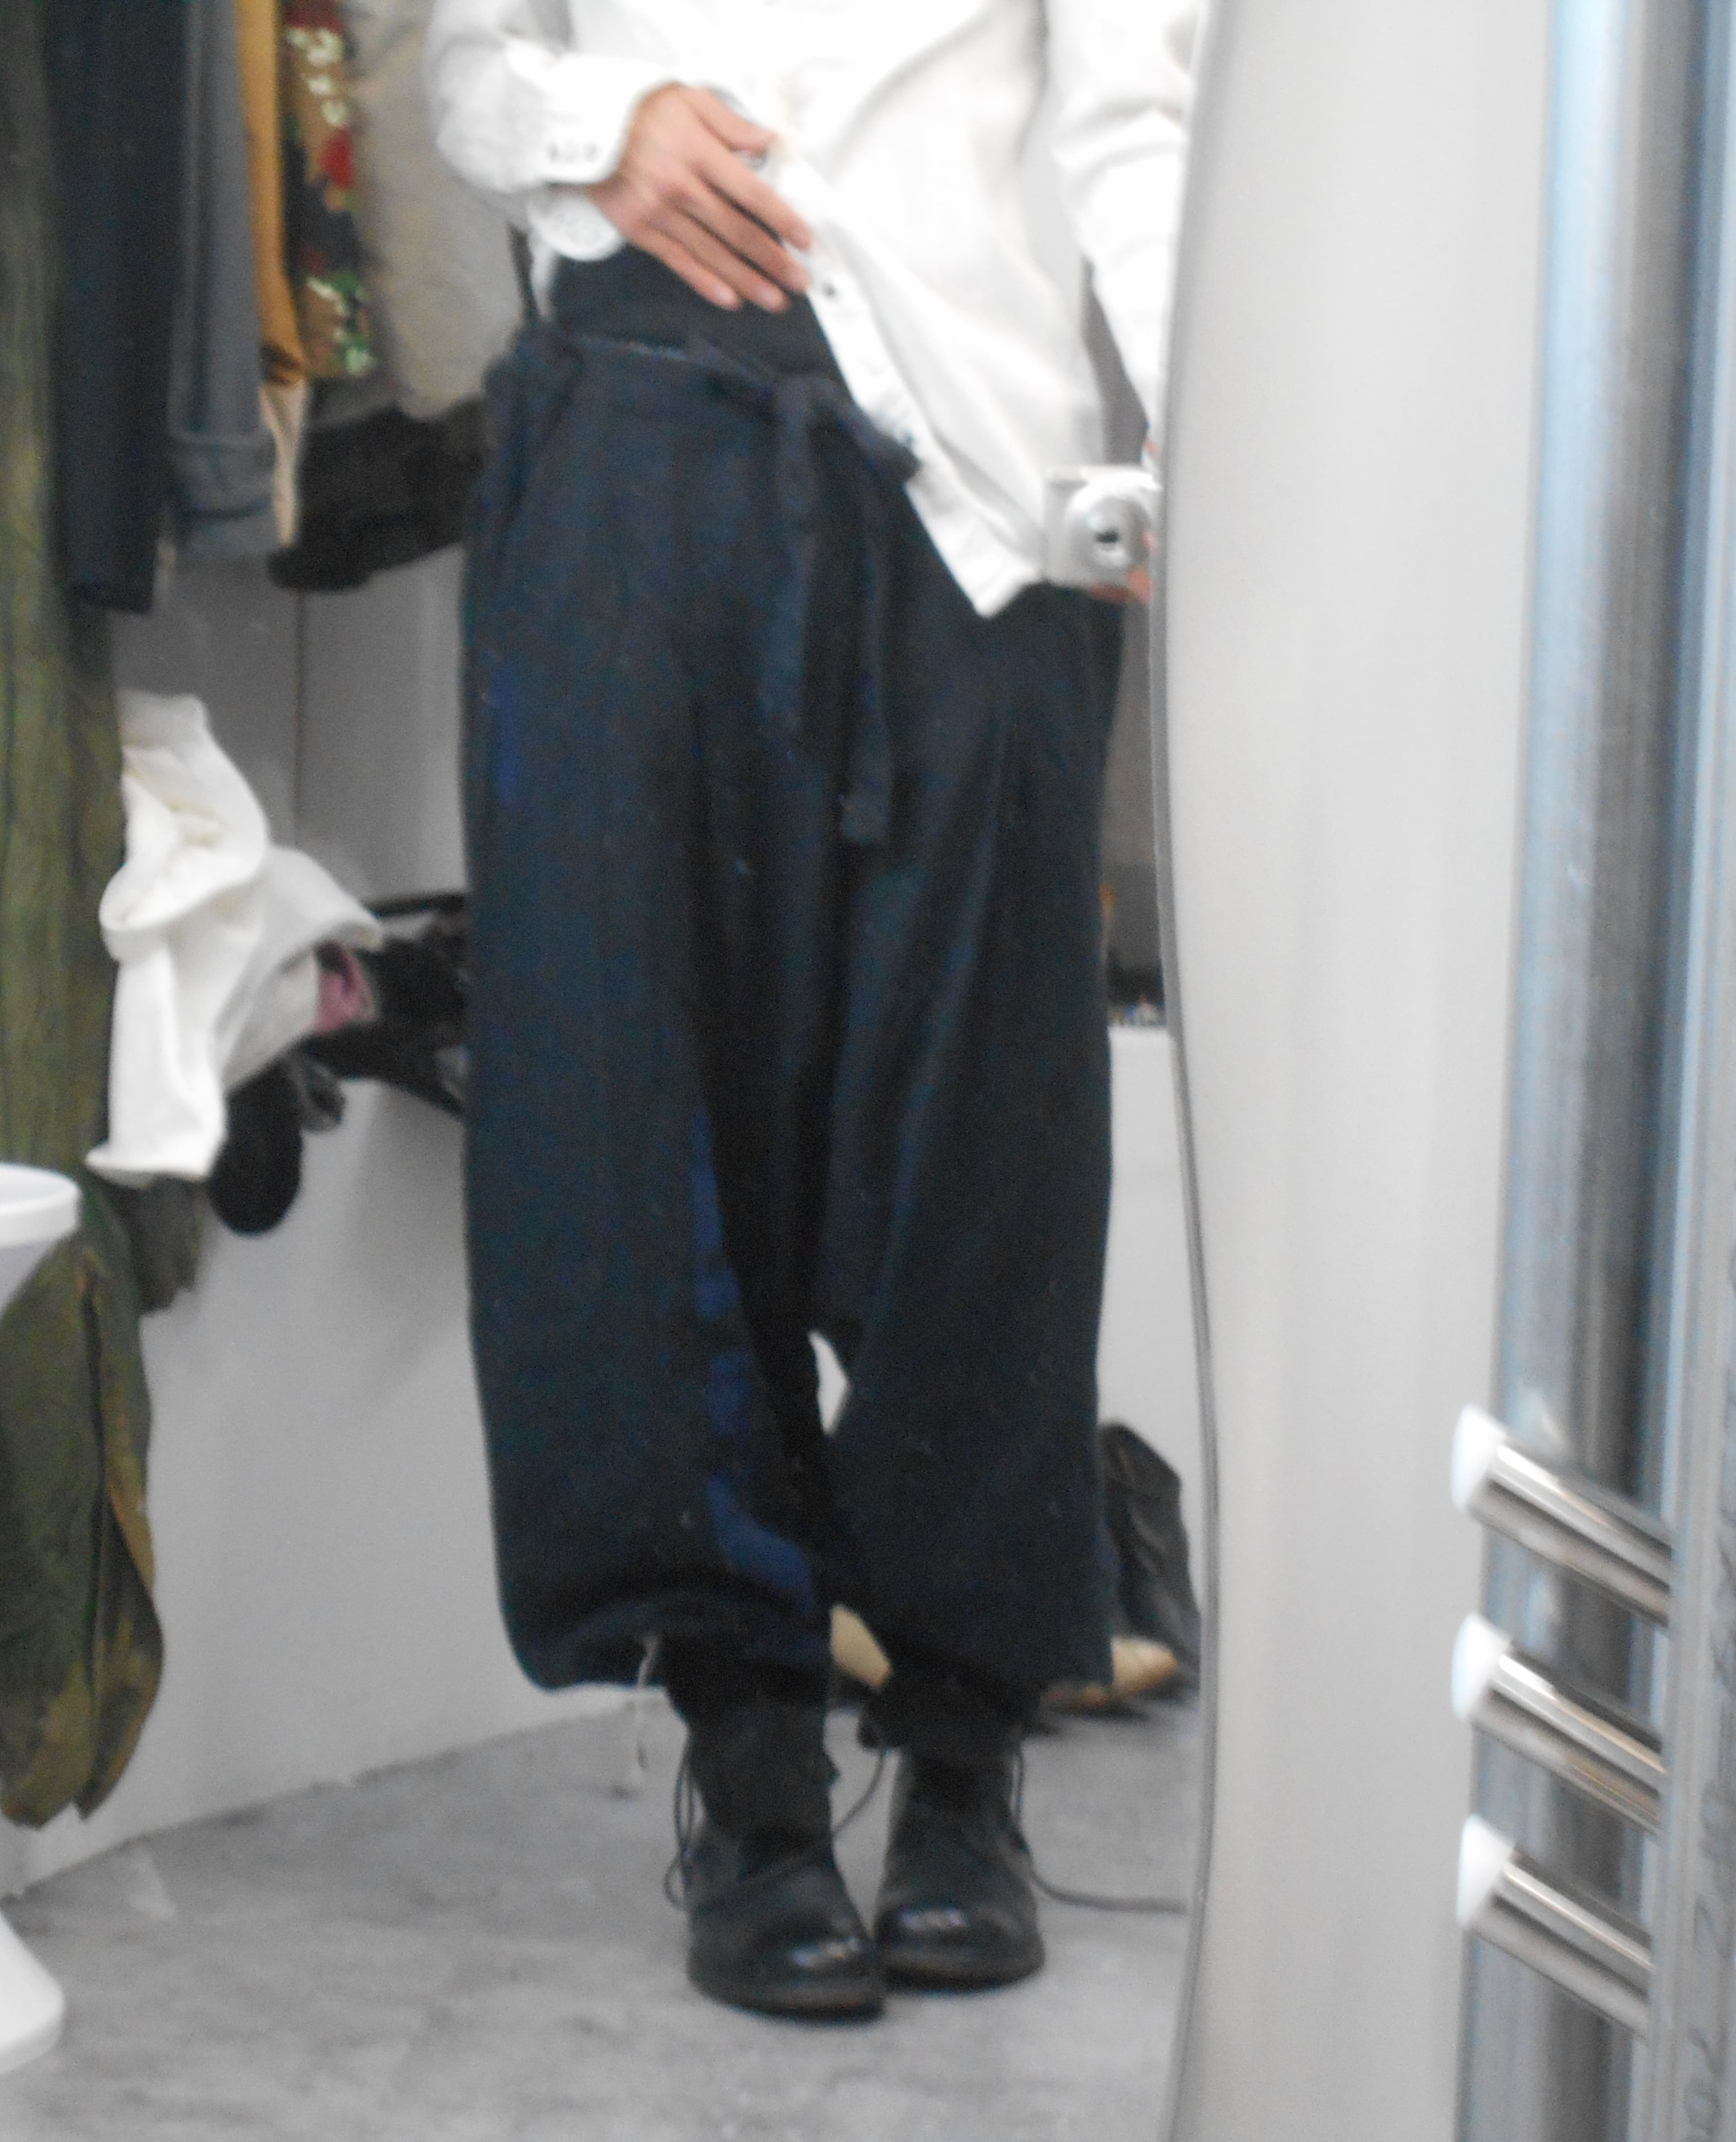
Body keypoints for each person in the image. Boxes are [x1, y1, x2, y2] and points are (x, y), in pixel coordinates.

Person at [425, 0, 1200, 2021]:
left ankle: (963, 1765)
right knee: (638, 1131)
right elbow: (461, 63)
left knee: (987, 1154)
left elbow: (1141, 117)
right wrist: (603, 122)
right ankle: (754, 1776)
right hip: (634, 466)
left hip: (984, 507)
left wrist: (1211, 452)